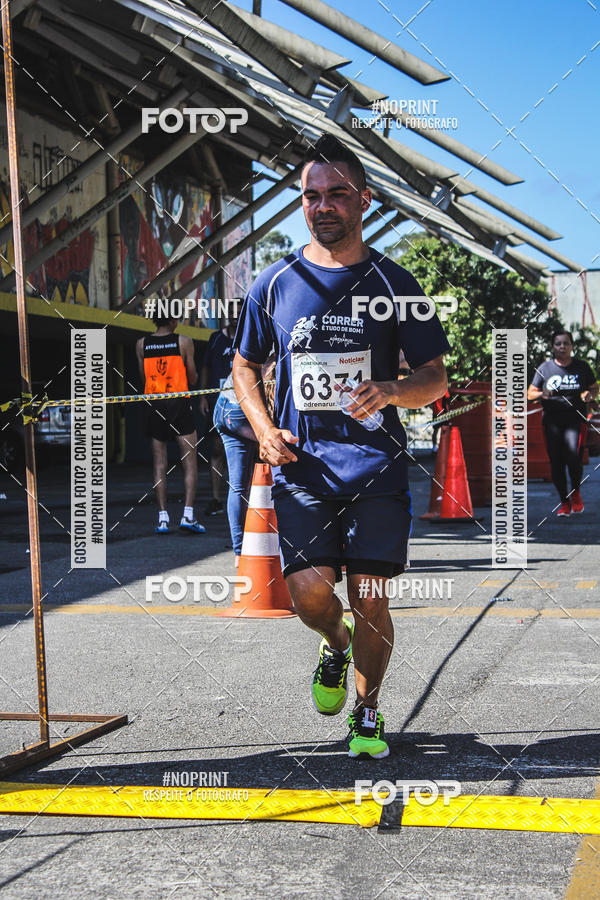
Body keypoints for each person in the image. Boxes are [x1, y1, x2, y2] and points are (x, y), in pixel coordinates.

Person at [232, 134, 450, 759]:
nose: (323, 206)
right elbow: (245, 368)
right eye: (311, 196)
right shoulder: (274, 283)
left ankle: (368, 711)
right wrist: (264, 428)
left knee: (372, 596)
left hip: (377, 466)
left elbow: (434, 377)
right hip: (303, 468)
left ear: (364, 200)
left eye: (337, 194)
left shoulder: (393, 281)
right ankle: (333, 642)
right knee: (308, 597)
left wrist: (392, 388)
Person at [136, 310, 206, 534]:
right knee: (190, 462)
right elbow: (193, 377)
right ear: (173, 320)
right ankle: (187, 515)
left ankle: (163, 518)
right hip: (179, 405)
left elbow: (144, 378)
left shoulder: (141, 344)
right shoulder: (184, 341)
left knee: (159, 463)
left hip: (154, 404)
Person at [528, 330, 598, 515]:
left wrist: (589, 395)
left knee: (574, 457)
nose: (562, 347)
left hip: (576, 419)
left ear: (572, 346)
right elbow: (530, 394)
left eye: (566, 343)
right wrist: (542, 394)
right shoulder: (545, 368)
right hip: (552, 421)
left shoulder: (582, 367)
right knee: (556, 462)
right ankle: (564, 502)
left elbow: (594, 388)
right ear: (553, 347)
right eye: (558, 344)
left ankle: (576, 493)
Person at [213, 358, 276, 566]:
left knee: (238, 485)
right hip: (242, 410)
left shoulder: (252, 338)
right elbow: (269, 377)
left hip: (223, 406)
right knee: (285, 452)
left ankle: (239, 553)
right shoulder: (277, 338)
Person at [199, 320, 237, 515]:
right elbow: (205, 367)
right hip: (218, 400)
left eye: (241, 311)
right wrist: (204, 396)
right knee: (216, 450)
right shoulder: (216, 338)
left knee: (242, 451)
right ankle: (215, 498)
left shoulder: (248, 335)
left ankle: (239, 497)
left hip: (243, 401)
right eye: (233, 312)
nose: (236, 315)